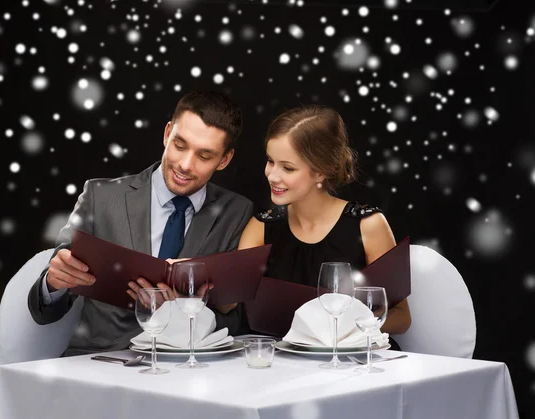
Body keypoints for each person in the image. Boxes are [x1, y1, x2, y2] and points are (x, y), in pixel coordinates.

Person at [28, 90, 253, 356]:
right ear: (167, 133)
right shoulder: (100, 197)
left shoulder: (237, 211)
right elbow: (44, 310)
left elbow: (235, 321)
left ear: (224, 159)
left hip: (186, 370)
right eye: (180, 145)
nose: (185, 164)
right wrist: (52, 285)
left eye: (204, 156)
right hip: (101, 364)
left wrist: (186, 310)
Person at [238, 105, 411, 339]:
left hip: (354, 363)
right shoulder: (261, 227)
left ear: (320, 172)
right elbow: (234, 301)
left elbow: (401, 318)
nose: (272, 175)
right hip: (285, 365)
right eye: (270, 161)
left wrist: (346, 326)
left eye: (288, 168)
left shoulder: (368, 225)